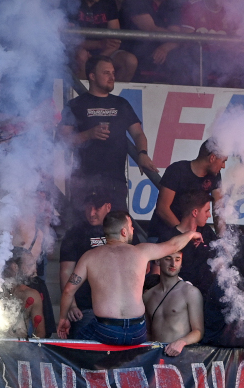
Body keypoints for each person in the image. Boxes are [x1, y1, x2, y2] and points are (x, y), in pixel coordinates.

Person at [57, 211, 202, 344]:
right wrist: (191, 234)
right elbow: (174, 245)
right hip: (136, 331)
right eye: (131, 226)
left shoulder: (89, 256)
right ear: (123, 232)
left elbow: (68, 290)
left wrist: (63, 318)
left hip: (106, 330)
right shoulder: (142, 251)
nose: (133, 229)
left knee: (76, 347)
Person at [60, 56, 156, 213]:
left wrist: (143, 153)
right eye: (106, 73)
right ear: (92, 76)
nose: (112, 77)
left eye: (113, 73)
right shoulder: (76, 105)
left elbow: (138, 133)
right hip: (85, 181)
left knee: (117, 225)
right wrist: (88, 134)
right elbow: (62, 140)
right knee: (84, 225)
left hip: (115, 181)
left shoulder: (121, 104)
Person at [58, 190, 111, 331]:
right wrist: (71, 305)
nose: (91, 213)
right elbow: (66, 271)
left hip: (115, 308)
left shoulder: (119, 229)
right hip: (83, 309)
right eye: (88, 207)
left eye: (97, 208)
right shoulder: (74, 233)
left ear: (108, 207)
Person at [153, 138, 225, 239]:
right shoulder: (177, 170)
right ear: (212, 158)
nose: (224, 166)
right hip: (164, 234)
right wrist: (185, 234)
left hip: (193, 235)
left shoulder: (215, 175)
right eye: (223, 161)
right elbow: (162, 209)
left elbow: (218, 210)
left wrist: (224, 241)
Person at [144, 251, 204, 356]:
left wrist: (182, 341)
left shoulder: (190, 292)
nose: (173, 264)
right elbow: (148, 333)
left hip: (181, 356)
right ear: (158, 261)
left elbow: (198, 331)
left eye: (177, 259)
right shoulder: (147, 296)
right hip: (156, 358)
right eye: (168, 259)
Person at [156, 189, 216, 293]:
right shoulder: (167, 238)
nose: (209, 215)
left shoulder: (207, 232)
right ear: (195, 212)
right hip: (180, 294)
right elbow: (156, 273)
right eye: (206, 211)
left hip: (208, 294)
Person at [69, 0, 137, 82]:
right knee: (82, 56)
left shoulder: (108, 3)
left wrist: (100, 57)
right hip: (79, 50)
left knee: (130, 61)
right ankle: (83, 90)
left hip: (105, 51)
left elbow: (116, 38)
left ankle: (111, 89)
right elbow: (70, 40)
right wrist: (99, 44)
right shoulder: (71, 3)